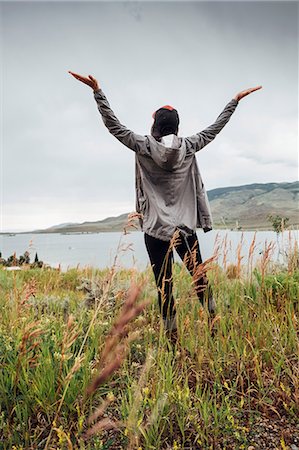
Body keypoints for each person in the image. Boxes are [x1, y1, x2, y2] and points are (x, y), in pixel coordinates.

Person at [68, 71, 262, 333]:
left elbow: (113, 126)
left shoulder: (143, 146)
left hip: (155, 231)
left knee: (165, 286)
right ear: (176, 127)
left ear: (155, 126)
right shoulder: (190, 145)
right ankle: (215, 326)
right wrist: (234, 101)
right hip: (184, 230)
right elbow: (215, 129)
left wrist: (97, 92)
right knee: (200, 278)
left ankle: (172, 342)